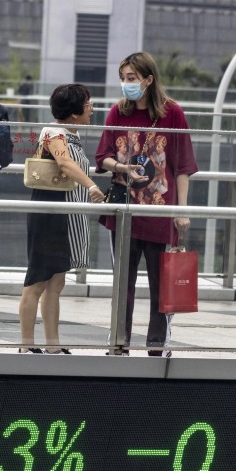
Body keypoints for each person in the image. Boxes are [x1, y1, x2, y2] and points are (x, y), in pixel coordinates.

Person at [94, 51, 198, 356]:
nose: (126, 84)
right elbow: (103, 157)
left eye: (132, 78)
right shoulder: (117, 113)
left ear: (148, 80)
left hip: (160, 214)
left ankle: (157, 346)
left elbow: (182, 166)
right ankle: (119, 342)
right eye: (123, 78)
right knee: (122, 286)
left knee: (161, 287)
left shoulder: (173, 114)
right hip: (124, 214)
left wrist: (181, 210)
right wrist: (122, 167)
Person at [18, 84, 104, 354]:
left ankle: (53, 345)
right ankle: (26, 345)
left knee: (56, 282)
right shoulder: (54, 133)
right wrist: (92, 186)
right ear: (74, 111)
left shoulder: (72, 135)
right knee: (37, 281)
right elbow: (65, 164)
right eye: (88, 104)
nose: (92, 109)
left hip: (66, 215)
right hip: (50, 214)